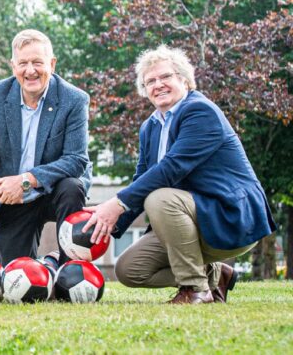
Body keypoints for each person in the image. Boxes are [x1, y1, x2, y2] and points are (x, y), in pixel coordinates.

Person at [83, 45, 276, 304]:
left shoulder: (200, 112)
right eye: (150, 81)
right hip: (187, 220)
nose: (158, 85)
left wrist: (116, 203)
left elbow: (171, 169)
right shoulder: (150, 126)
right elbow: (141, 177)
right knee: (129, 270)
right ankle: (214, 274)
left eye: (165, 77)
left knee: (159, 198)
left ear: (184, 79)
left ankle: (196, 289)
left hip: (229, 215)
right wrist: (106, 225)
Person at [0, 29, 91, 267]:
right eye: (23, 63)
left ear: (52, 64)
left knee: (72, 187)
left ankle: (68, 269)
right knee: (18, 276)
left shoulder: (74, 99)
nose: (30, 70)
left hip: (55, 190)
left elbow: (76, 160)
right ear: (13, 66)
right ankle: (48, 264)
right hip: (14, 199)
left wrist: (26, 180)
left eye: (38, 62)